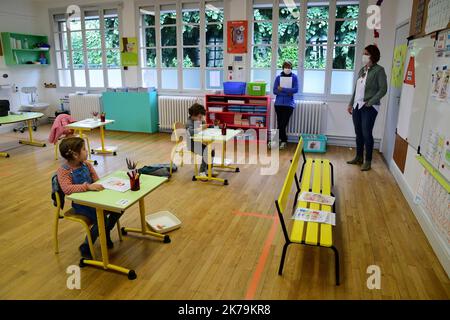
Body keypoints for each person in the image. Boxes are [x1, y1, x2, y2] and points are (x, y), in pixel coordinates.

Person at [57, 137, 122, 259]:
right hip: (81, 205)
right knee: (101, 217)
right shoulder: (64, 171)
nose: (87, 151)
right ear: (75, 155)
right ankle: (87, 245)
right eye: (84, 149)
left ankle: (105, 231)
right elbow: (67, 189)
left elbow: (97, 180)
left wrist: (106, 185)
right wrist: (88, 187)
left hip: (96, 199)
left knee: (119, 207)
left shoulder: (87, 165)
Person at [347, 45, 388, 171]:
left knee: (366, 133)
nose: (363, 56)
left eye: (366, 53)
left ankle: (368, 161)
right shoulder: (362, 70)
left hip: (369, 107)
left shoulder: (379, 70)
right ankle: (359, 157)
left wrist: (371, 102)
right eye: (363, 53)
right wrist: (350, 103)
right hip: (357, 106)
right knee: (358, 133)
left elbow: (383, 89)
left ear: (372, 55)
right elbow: (356, 89)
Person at [186, 103, 217, 178]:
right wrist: (200, 128)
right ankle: (202, 171)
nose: (201, 118)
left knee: (211, 151)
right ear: (193, 115)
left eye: (202, 117)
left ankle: (209, 169)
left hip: (199, 142)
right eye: (200, 117)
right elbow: (190, 132)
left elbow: (206, 126)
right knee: (206, 152)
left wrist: (210, 125)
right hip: (192, 144)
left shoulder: (199, 120)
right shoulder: (189, 122)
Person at [273, 61, 299, 149]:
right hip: (278, 104)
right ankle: (280, 140)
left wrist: (282, 89)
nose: (287, 68)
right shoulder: (278, 77)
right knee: (280, 123)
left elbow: (295, 90)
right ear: (283, 67)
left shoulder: (294, 77)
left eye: (289, 66)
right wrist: (287, 92)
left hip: (289, 105)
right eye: (285, 66)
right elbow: (275, 91)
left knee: (283, 123)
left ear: (291, 67)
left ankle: (281, 140)